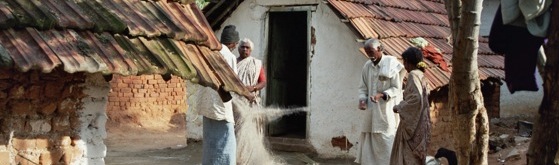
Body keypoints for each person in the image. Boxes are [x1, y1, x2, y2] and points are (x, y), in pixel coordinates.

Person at [356, 38, 404, 164]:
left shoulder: (390, 64)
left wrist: (382, 94)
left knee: (386, 138)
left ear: (380, 49)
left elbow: (396, 88)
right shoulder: (367, 66)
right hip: (371, 111)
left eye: (371, 51)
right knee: (370, 139)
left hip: (386, 110)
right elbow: (362, 87)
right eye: (367, 52)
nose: (369, 55)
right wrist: (362, 100)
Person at [198, 25, 240, 165]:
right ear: (233, 43)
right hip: (220, 104)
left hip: (206, 103)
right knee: (226, 142)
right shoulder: (230, 56)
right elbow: (231, 83)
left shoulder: (209, 52)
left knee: (210, 140)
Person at [390, 47, 431, 165]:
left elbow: (416, 99)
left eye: (404, 62)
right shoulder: (421, 74)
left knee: (407, 158)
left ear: (407, 61)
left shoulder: (413, 75)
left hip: (414, 126)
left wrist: (400, 107)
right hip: (422, 123)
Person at [236, 38, 266, 106]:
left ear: (251, 50)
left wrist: (253, 88)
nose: (244, 49)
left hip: (250, 99)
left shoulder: (256, 63)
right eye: (242, 47)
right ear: (238, 49)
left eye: (247, 47)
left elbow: (263, 82)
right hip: (235, 99)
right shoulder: (232, 61)